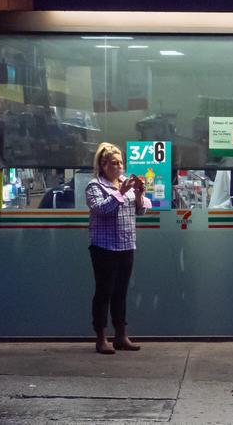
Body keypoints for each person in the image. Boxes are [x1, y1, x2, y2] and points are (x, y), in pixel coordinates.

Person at [86, 143, 149, 355]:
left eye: (121, 162)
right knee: (104, 291)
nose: (119, 166)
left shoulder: (125, 184)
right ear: (103, 165)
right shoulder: (94, 186)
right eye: (114, 163)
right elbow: (101, 210)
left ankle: (121, 335)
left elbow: (141, 211)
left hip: (126, 245)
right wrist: (119, 193)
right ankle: (101, 338)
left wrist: (139, 194)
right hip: (104, 247)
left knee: (121, 292)